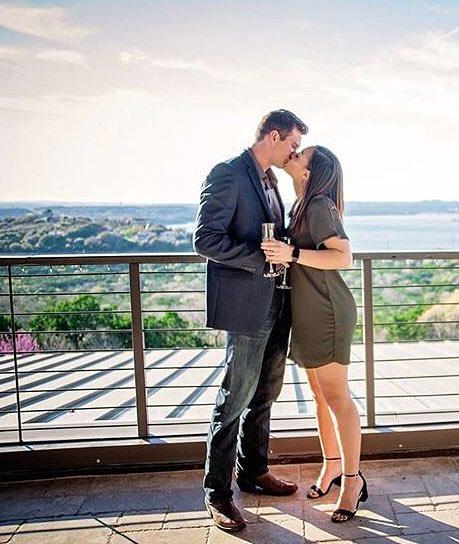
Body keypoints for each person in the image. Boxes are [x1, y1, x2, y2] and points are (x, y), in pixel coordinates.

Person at [193, 109, 307, 532]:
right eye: (292, 144)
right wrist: (261, 259)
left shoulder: (271, 179)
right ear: (273, 136)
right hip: (247, 305)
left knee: (265, 393)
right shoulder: (227, 173)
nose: (294, 152)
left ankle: (254, 472)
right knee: (234, 397)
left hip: (278, 301)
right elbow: (205, 239)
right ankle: (218, 494)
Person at [261, 145, 367, 523]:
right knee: (320, 397)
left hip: (327, 312)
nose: (293, 154)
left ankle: (352, 481)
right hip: (307, 313)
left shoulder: (319, 205)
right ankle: (331, 465)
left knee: (338, 399)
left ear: (311, 170)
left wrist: (291, 254)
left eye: (301, 154)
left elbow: (343, 256)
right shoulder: (301, 205)